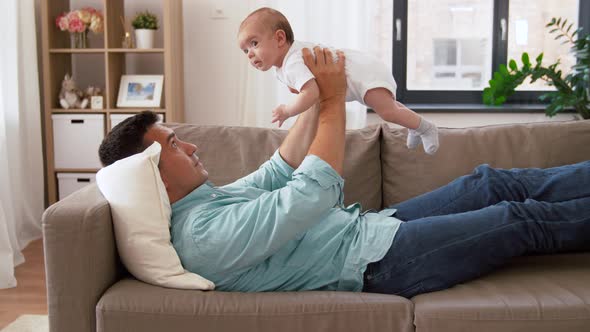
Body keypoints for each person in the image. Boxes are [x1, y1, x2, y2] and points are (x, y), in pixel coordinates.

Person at [98, 47, 590, 298]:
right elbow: (311, 191)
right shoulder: (202, 237)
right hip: (378, 265)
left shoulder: (203, 202)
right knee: (515, 220)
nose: (192, 146)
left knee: (487, 183)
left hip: (369, 231)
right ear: (154, 174)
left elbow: (280, 169)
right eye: (175, 146)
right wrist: (333, 101)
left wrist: (312, 96)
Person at [237, 7, 439, 154]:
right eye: (245, 50)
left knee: (387, 111)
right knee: (390, 107)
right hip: (362, 70)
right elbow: (311, 88)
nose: (249, 53)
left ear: (280, 39)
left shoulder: (292, 62)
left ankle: (425, 127)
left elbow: (311, 93)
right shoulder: (283, 66)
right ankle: (414, 126)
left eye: (254, 43)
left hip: (362, 74)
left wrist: (287, 110)